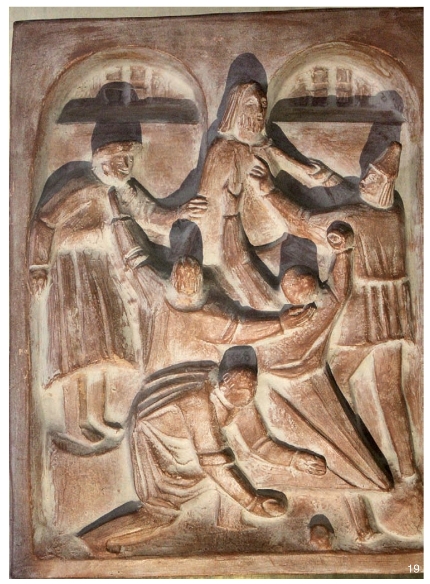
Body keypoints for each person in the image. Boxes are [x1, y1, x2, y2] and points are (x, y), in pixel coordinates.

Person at [105, 346, 325, 555]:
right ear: (224, 381)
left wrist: (296, 459)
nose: (248, 392)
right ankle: (95, 541)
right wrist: (253, 503)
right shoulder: (198, 402)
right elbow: (213, 463)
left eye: (252, 385)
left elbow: (259, 443)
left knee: (231, 470)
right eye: (241, 385)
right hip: (159, 444)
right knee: (161, 514)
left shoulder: (240, 395)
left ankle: (229, 522)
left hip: (189, 445)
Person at [196, 81, 342, 310]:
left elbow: (299, 169)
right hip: (241, 252)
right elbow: (208, 208)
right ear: (235, 109)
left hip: (281, 241)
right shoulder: (223, 151)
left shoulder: (265, 146)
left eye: (263, 104)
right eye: (251, 105)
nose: (259, 111)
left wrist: (326, 178)